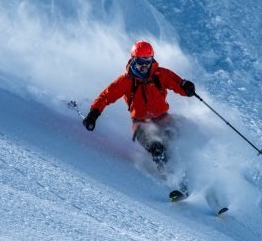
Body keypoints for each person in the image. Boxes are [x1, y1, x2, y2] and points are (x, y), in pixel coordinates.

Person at [82, 41, 195, 169]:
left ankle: (186, 170)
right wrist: (94, 113)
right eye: (141, 62)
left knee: (175, 136)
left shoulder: (160, 74)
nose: (145, 66)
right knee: (157, 147)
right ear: (134, 60)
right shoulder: (126, 81)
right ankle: (170, 174)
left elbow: (178, 84)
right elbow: (106, 96)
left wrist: (187, 87)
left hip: (163, 118)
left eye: (148, 61)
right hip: (141, 124)